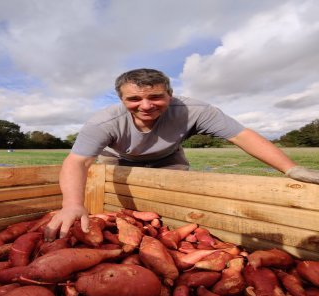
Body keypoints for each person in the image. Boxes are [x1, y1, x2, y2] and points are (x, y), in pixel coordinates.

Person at [44, 68, 319, 241]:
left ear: (170, 95)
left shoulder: (196, 111)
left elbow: (241, 135)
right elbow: (77, 161)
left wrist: (291, 169)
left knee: (173, 204)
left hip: (168, 158)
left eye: (156, 97)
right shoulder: (104, 121)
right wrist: (72, 204)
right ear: (121, 99)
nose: (146, 106)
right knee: (113, 204)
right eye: (134, 99)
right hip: (116, 159)